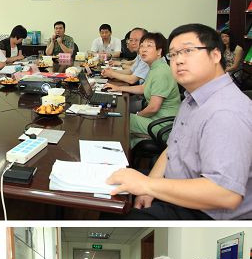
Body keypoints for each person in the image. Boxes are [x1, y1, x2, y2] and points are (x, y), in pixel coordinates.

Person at [107, 23, 252, 220]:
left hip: (206, 212)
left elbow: (226, 194)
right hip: (174, 187)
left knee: (114, 214)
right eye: (174, 54)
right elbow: (172, 149)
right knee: (110, 193)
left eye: (188, 51)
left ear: (215, 55)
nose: (178, 60)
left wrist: (148, 185)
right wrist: (148, 186)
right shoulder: (193, 98)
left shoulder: (226, 111)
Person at [106, 32, 181, 148]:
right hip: (158, 120)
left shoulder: (161, 72)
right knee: (120, 119)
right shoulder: (156, 67)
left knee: (119, 119)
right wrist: (118, 88)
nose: (143, 50)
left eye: (149, 46)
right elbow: (143, 88)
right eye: (142, 46)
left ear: (159, 51)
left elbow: (153, 107)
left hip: (162, 125)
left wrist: (138, 115)